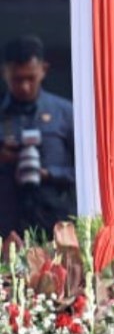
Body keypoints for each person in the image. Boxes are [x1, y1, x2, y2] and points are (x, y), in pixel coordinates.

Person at [0, 35, 75, 236]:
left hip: (57, 222)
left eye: (30, 78)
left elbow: (87, 172)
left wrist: (49, 173)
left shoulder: (65, 113)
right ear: (4, 73)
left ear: (44, 70)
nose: (24, 86)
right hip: (7, 224)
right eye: (17, 79)